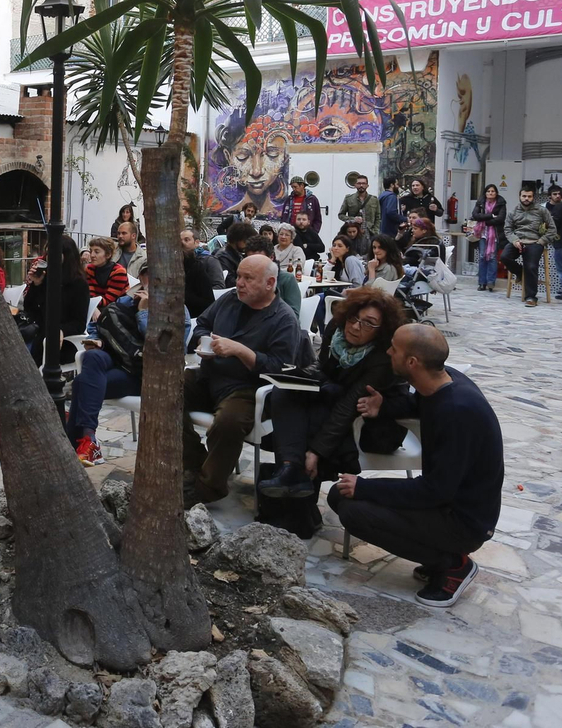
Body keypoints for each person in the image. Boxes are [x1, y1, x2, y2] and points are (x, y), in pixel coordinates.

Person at [328, 323, 504, 608]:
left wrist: (365, 486)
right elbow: (418, 404)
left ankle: (452, 564)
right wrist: (382, 407)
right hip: (443, 502)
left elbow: (435, 491)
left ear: (412, 362)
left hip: (465, 521)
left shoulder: (459, 412)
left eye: (393, 348)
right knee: (340, 495)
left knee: (354, 510)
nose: (387, 351)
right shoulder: (440, 382)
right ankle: (438, 555)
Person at [257, 286, 407, 500]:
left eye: (369, 323)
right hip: (336, 393)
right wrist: (298, 377)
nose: (356, 326)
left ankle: (295, 476)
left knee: (313, 415)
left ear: (382, 330)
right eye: (354, 318)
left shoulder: (381, 358)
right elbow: (324, 369)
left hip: (373, 419)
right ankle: (290, 468)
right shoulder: (337, 328)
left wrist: (316, 452)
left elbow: (349, 403)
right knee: (283, 391)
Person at [184, 254, 310, 506]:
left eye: (247, 278)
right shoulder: (230, 299)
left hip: (247, 387)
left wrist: (241, 351)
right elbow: (202, 324)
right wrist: (202, 340)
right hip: (210, 374)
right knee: (165, 393)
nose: (239, 282)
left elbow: (280, 369)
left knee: (229, 422)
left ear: (270, 283)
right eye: (238, 276)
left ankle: (208, 487)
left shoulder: (283, 318)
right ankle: (194, 462)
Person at [67, 264, 192, 465]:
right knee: (91, 358)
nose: (150, 286)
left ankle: (79, 441)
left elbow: (167, 350)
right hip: (116, 360)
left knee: (82, 383)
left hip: (144, 372)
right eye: (147, 280)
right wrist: (95, 338)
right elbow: (101, 324)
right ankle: (89, 440)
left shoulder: (177, 310)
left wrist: (143, 313)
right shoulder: (126, 301)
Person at [22, 235, 91, 361]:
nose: (49, 257)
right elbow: (29, 308)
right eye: (48, 253)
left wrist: (60, 329)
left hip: (61, 340)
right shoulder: (46, 277)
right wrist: (36, 285)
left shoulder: (78, 284)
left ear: (67, 255)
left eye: (54, 253)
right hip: (37, 331)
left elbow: (79, 323)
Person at [499, 186, 558, 306]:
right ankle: (520, 272)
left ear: (533, 197)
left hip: (535, 242)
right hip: (518, 241)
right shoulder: (513, 212)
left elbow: (552, 229)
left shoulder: (542, 210)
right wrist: (514, 240)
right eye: (524, 196)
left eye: (529, 196)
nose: (526, 198)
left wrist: (542, 241)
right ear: (520, 197)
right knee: (504, 257)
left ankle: (531, 297)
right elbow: (508, 229)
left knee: (531, 266)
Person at [468, 184, 507, 292]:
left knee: (492, 257)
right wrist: (490, 216)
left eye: (493, 191)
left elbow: (500, 219)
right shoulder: (481, 202)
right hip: (482, 234)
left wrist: (485, 221)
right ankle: (481, 283)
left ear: (496, 193)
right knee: (481, 257)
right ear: (485, 193)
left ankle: (491, 282)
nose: (490, 193)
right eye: (488, 191)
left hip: (495, 234)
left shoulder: (501, 203)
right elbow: (475, 215)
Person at [84, 238, 131, 313]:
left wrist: (91, 304)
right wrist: (93, 307)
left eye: (96, 252)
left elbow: (109, 300)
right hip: (97, 306)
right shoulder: (89, 269)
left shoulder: (119, 272)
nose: (92, 255)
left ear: (108, 255)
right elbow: (90, 294)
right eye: (91, 251)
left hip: (116, 310)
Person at [217, 221, 259, 287]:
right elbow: (229, 282)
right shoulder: (223, 257)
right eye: (245, 241)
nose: (247, 245)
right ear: (236, 240)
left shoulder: (238, 254)